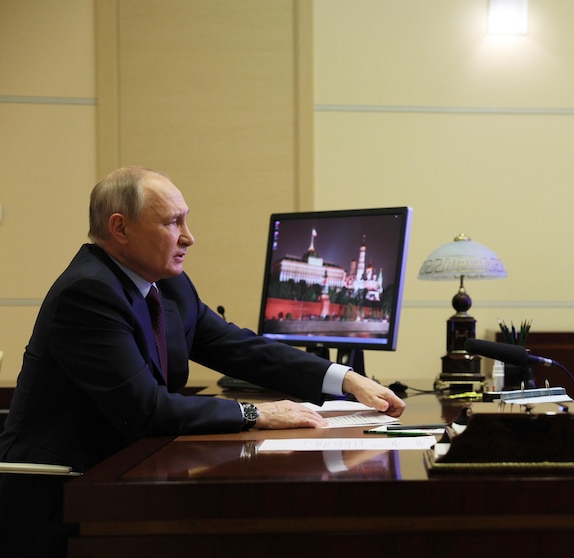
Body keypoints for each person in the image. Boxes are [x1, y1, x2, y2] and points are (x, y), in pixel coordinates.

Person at [0, 166, 406, 557]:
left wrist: (345, 378)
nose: (189, 238)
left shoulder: (168, 285)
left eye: (186, 221)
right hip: (65, 491)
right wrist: (255, 413)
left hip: (124, 475)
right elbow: (147, 408)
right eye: (172, 223)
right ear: (120, 228)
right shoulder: (88, 292)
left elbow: (235, 346)